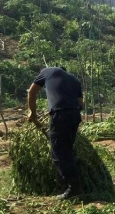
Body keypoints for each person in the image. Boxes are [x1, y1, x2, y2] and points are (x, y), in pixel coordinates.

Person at [27, 67, 84, 199]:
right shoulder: (74, 79)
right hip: (74, 114)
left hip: (61, 115)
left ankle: (74, 188)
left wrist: (32, 112)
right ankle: (69, 183)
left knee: (59, 151)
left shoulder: (46, 71)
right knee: (67, 149)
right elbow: (80, 104)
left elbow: (32, 91)